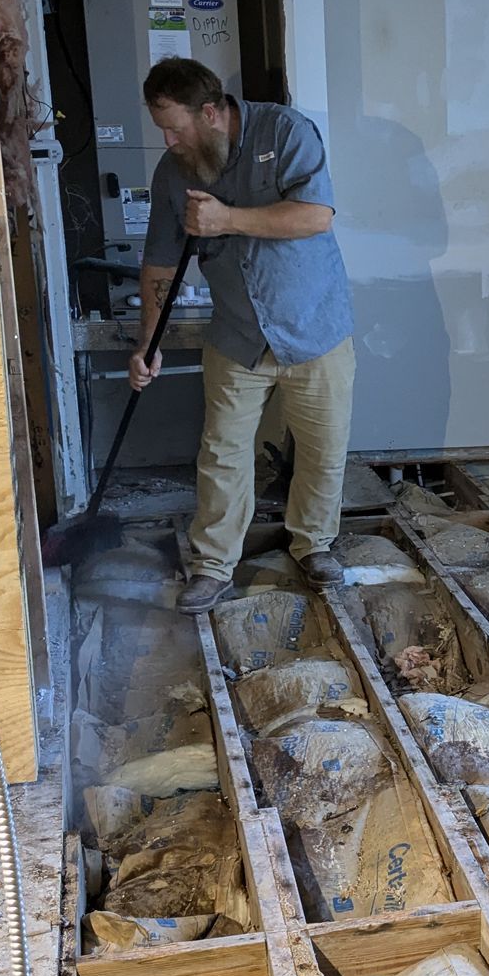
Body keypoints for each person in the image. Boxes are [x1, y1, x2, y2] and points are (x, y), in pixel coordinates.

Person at [131, 57, 355, 612]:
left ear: (211, 112)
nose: (168, 138)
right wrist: (147, 342)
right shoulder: (173, 171)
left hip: (315, 329)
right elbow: (159, 264)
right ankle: (212, 566)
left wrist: (227, 219)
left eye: (176, 126)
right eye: (162, 127)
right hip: (236, 336)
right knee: (223, 454)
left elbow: (315, 216)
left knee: (322, 451)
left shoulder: (284, 131)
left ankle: (315, 546)